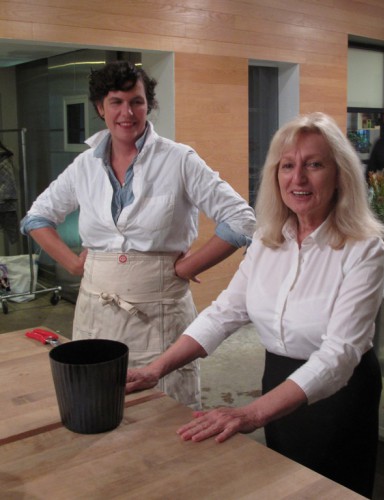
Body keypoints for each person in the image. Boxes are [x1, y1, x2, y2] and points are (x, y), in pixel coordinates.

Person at [126, 112, 384, 498]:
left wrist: (251, 412)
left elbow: (339, 355)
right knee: (284, 482)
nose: (297, 178)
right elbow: (225, 312)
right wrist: (155, 369)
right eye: (287, 166)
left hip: (340, 394)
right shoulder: (267, 240)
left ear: (340, 175)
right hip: (278, 379)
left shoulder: (363, 248)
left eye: (313, 165)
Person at [20, 61, 256, 409]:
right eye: (116, 102)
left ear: (149, 105)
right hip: (95, 312)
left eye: (136, 101)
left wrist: (188, 267)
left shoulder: (178, 160)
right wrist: (72, 263)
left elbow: (241, 220)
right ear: (101, 108)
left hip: (159, 314)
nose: (127, 112)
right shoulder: (84, 166)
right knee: (97, 403)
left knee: (164, 410)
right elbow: (37, 218)